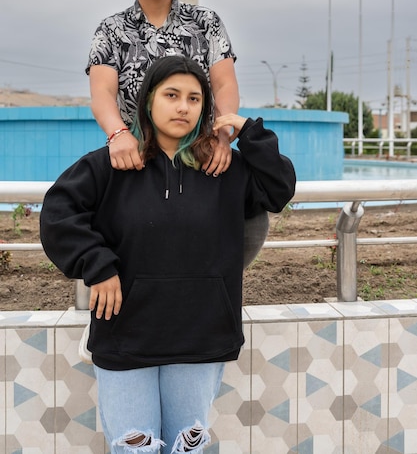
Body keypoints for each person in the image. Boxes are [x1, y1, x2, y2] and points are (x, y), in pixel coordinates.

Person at [40, 55, 296, 454]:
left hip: (202, 334)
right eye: (172, 95)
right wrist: (99, 266)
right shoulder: (115, 163)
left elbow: (278, 190)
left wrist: (247, 131)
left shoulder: (222, 167)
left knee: (187, 449)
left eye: (195, 99)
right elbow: (58, 213)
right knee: (134, 449)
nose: (183, 106)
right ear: (148, 102)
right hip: (125, 336)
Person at [86, 0, 269, 266]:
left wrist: (223, 136)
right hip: (137, 156)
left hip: (197, 153)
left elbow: (225, 85)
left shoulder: (206, 22)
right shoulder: (111, 30)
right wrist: (118, 135)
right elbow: (102, 92)